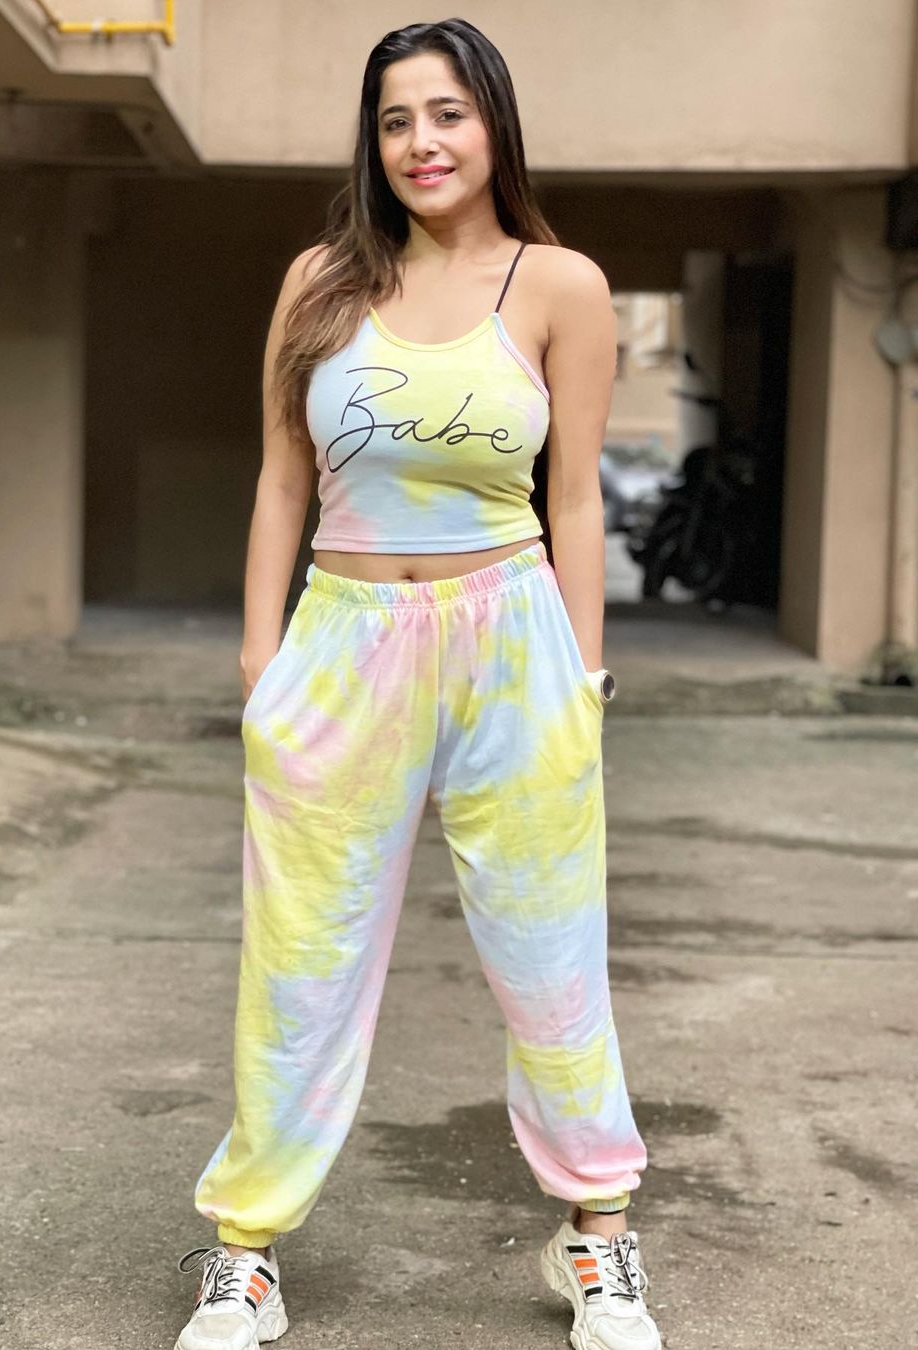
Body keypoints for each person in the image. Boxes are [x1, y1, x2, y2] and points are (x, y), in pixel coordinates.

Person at [173, 18, 660, 1350]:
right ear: (372, 141)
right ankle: (246, 1253)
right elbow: (281, 477)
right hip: (343, 638)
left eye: (447, 114)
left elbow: (574, 500)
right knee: (301, 955)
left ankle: (598, 1237)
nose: (422, 143)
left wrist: (583, 680)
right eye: (396, 121)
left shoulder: (561, 286)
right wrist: (263, 663)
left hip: (512, 637)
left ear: (493, 123)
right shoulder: (320, 282)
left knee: (550, 949)